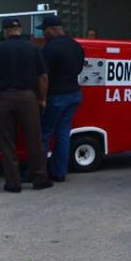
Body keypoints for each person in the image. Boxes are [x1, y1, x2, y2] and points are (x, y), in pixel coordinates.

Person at [0, 18, 52, 193]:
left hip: (5, 97)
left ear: (5, 31)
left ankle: (13, 183)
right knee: (34, 139)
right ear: (20, 30)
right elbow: (43, 77)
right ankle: (39, 178)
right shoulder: (33, 48)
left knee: (7, 141)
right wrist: (42, 98)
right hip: (28, 97)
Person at [38, 15, 85, 182]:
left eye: (44, 31)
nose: (44, 35)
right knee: (64, 133)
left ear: (51, 29)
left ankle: (38, 172)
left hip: (56, 96)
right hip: (74, 94)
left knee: (44, 133)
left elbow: (43, 75)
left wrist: (42, 97)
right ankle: (59, 172)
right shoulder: (76, 46)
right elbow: (79, 70)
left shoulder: (50, 48)